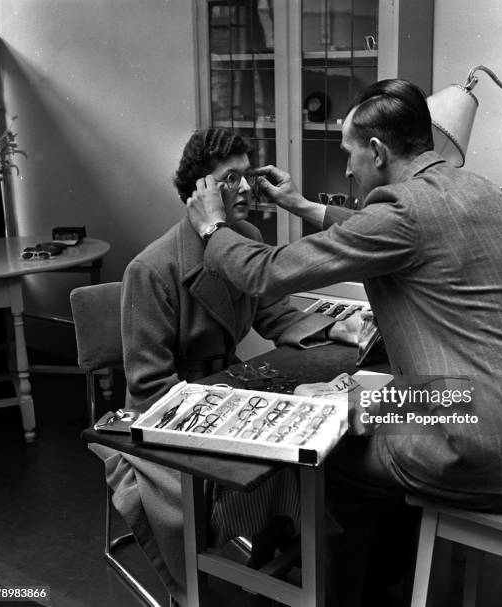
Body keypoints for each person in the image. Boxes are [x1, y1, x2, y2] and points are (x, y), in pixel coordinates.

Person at [186, 79, 502, 606]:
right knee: (356, 406)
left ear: (377, 150)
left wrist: (213, 229)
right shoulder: (481, 192)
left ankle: (356, 595)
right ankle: (391, 578)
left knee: (330, 451)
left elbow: (266, 272)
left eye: (349, 154)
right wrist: (304, 206)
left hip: (479, 440)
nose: (348, 169)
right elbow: (387, 230)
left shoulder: (402, 214)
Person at [96, 128, 358, 605]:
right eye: (229, 179)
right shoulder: (151, 270)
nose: (245, 189)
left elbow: (271, 309)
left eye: (247, 176)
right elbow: (151, 385)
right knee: (256, 474)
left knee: (306, 452)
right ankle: (211, 584)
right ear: (199, 194)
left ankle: (290, 565)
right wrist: (231, 411)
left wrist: (331, 328)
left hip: (227, 388)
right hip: (167, 418)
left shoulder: (245, 238)